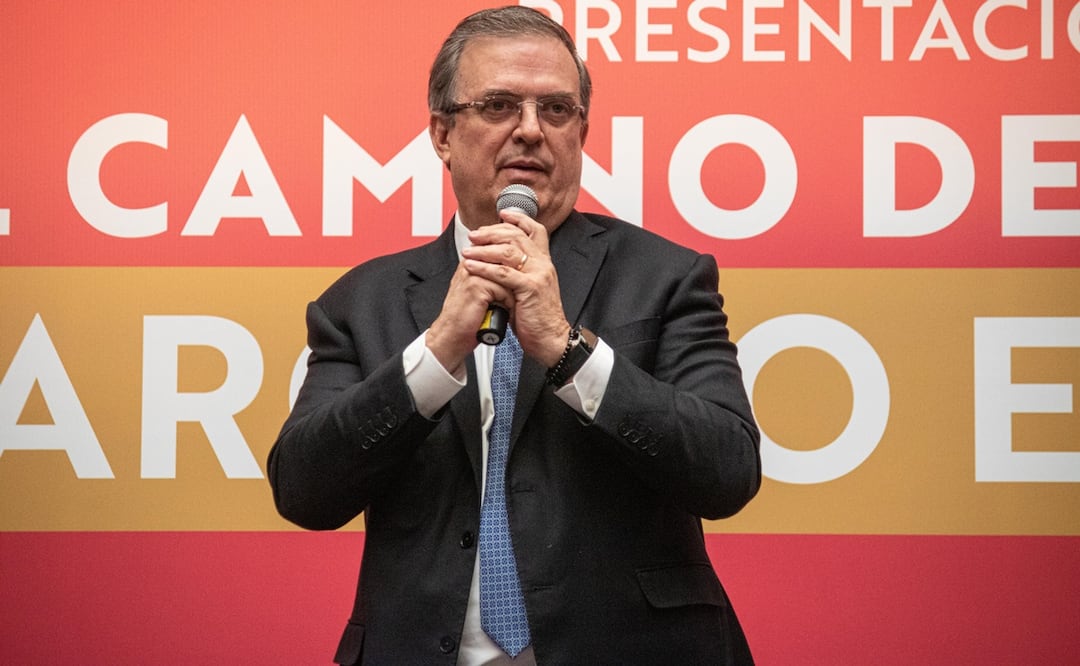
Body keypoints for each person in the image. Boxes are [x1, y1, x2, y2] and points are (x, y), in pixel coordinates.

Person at [268, 6, 761, 664]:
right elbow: (304, 491)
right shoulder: (360, 302)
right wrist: (436, 354)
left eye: (556, 110)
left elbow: (729, 471)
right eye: (499, 105)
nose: (530, 130)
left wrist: (568, 351)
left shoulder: (667, 277)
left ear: (581, 133)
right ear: (442, 133)